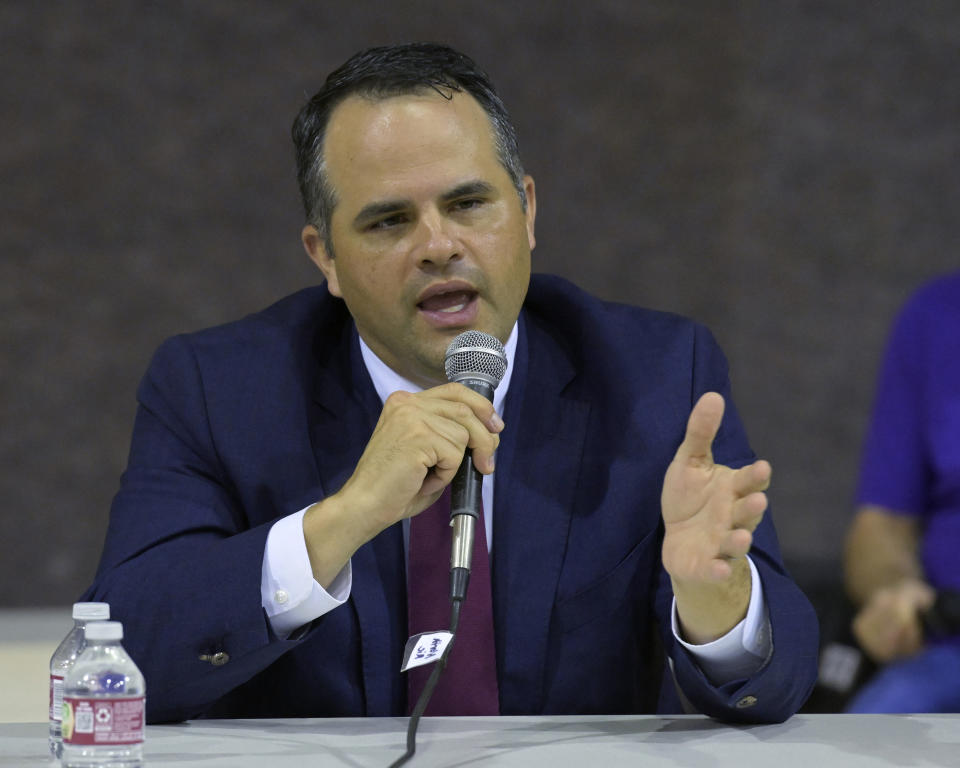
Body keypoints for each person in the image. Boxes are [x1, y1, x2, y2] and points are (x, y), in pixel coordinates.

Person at [81, 42, 818, 724]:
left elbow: (775, 684)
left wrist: (714, 605)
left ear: (527, 210)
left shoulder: (654, 374)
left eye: (469, 205)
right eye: (389, 221)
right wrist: (343, 519)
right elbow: (122, 656)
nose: (439, 246)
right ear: (325, 257)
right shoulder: (218, 389)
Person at [844, 271, 960, 712]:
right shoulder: (936, 314)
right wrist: (896, 592)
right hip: (948, 646)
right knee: (869, 732)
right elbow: (882, 522)